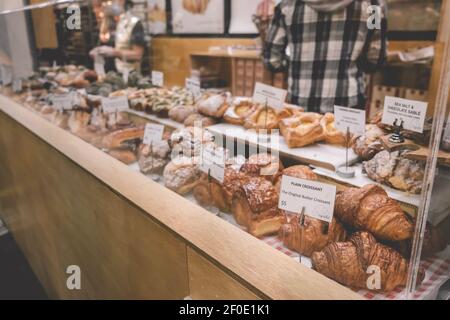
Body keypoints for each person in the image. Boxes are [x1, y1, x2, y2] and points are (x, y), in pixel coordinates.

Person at [263, 0, 387, 113]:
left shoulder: (286, 6)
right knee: (348, 138)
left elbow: (272, 60)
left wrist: (297, 65)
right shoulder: (373, 7)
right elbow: (375, 59)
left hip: (300, 103)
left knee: (299, 137)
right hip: (349, 107)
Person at [90, 0, 146, 74]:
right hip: (108, 78)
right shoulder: (107, 23)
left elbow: (137, 55)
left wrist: (114, 52)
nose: (105, 5)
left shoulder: (133, 23)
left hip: (127, 77)